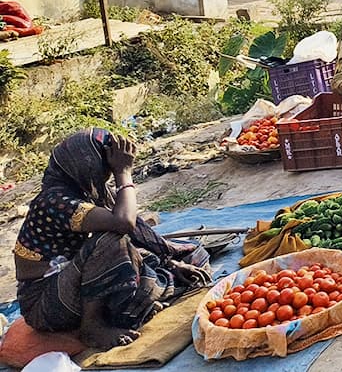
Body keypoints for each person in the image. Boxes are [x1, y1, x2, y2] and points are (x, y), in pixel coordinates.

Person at [14, 130, 211, 348]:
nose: (106, 173)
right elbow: (124, 223)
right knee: (110, 241)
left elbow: (132, 230)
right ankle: (92, 327)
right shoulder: (53, 201)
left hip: (75, 276)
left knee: (191, 257)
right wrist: (124, 173)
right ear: (86, 164)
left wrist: (171, 261)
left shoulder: (85, 190)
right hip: (46, 302)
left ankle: (126, 306)